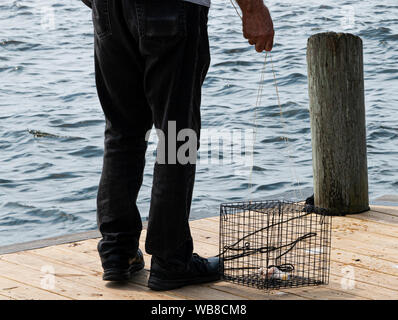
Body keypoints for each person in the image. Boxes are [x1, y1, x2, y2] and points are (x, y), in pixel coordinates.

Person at [82, 0, 274, 291]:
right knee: (176, 137)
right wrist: (252, 8)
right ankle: (171, 260)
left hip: (109, 9)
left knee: (122, 130)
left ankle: (117, 253)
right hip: (170, 9)